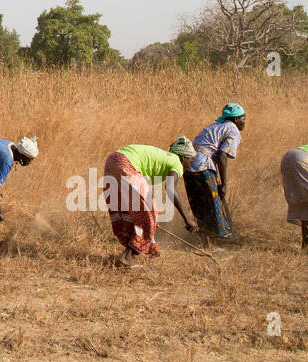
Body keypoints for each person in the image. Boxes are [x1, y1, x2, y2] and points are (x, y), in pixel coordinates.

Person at [103, 136, 197, 266]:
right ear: (184, 157)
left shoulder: (166, 158)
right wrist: (187, 218)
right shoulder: (177, 162)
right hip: (126, 164)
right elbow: (170, 189)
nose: (190, 165)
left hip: (112, 160)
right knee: (149, 216)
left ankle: (130, 254)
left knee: (133, 213)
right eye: (191, 161)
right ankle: (127, 257)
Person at [184, 103, 245, 249]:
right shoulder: (233, 129)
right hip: (203, 166)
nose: (244, 122)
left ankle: (204, 240)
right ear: (236, 119)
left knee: (199, 205)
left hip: (188, 166)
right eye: (243, 118)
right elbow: (222, 156)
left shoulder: (214, 127)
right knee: (213, 205)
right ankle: (219, 242)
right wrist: (224, 183)